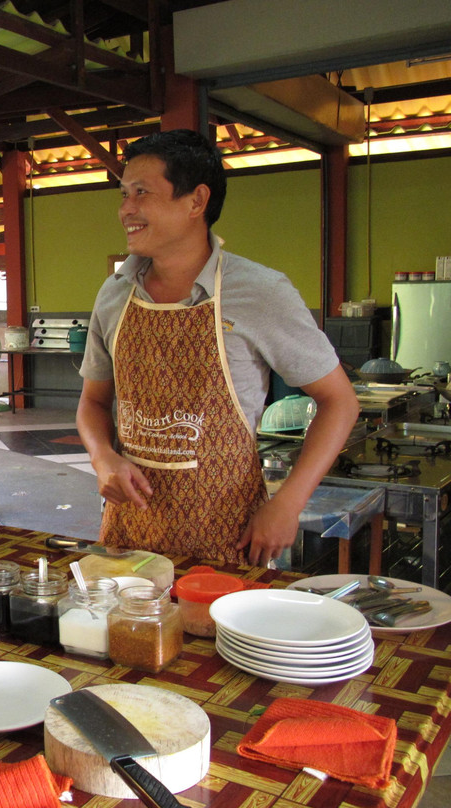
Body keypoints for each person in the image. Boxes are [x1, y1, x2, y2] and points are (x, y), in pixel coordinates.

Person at [76, 128, 359, 567]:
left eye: (141, 192)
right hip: (129, 536)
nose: (125, 209)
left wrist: (288, 503)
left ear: (196, 201)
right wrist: (103, 457)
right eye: (124, 194)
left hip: (229, 535)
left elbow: (339, 401)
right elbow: (93, 403)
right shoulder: (114, 295)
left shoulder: (259, 291)